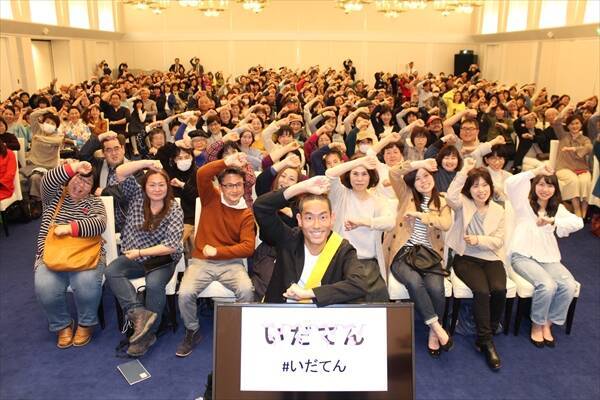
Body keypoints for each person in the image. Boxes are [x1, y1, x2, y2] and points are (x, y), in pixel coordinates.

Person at [253, 175, 384, 305]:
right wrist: (302, 187)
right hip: (281, 313)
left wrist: (310, 293)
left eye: (323, 217)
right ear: (299, 220)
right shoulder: (288, 239)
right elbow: (261, 207)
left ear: (332, 219)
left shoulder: (342, 249)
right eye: (309, 218)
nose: (316, 225)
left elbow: (358, 284)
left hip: (321, 315)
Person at [176, 153, 255, 358]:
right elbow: (202, 173)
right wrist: (226, 162)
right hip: (201, 262)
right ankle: (192, 330)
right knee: (184, 293)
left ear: (244, 186)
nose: (234, 189)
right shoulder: (211, 198)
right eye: (229, 185)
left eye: (238, 185)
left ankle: (240, 330)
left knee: (247, 290)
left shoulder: (246, 213)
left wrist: (219, 251)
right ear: (221, 186)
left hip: (232, 263)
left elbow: (248, 248)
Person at [105, 159, 184, 357]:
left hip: (161, 260)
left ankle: (148, 335)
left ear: (168, 186)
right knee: (112, 271)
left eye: (161, 185)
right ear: (145, 186)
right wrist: (147, 163)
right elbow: (120, 172)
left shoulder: (174, 208)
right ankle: (139, 313)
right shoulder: (136, 197)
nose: (157, 189)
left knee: (154, 284)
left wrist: (140, 252)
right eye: (152, 185)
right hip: (135, 258)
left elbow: (171, 246)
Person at [505, 165, 582, 348]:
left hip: (548, 258)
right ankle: (537, 324)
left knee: (569, 285)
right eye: (540, 184)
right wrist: (536, 170)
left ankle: (548, 323)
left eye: (549, 185)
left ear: (555, 189)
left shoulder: (557, 209)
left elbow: (578, 222)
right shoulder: (523, 203)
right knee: (547, 285)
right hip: (522, 255)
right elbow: (511, 182)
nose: (545, 189)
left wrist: (553, 221)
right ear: (534, 186)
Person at [34, 160, 107, 348]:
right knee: (45, 285)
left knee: (86, 283)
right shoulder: (54, 196)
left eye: (87, 182)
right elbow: (47, 180)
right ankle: (62, 325)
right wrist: (75, 167)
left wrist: (69, 228)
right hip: (51, 255)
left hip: (87, 255)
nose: (80, 184)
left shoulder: (94, 202)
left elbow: (99, 224)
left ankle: (85, 324)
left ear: (92, 188)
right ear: (69, 178)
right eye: (78, 178)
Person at [384, 158, 453, 358]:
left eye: (426, 176)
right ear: (412, 183)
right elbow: (393, 173)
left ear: (433, 177)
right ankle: (437, 328)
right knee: (414, 282)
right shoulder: (406, 195)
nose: (423, 181)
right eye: (418, 179)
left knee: (437, 288)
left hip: (429, 255)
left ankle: (433, 332)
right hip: (403, 253)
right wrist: (419, 164)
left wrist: (422, 216)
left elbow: (446, 224)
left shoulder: (442, 201)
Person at [446, 159, 506, 370]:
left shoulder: (498, 210)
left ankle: (488, 330)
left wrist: (479, 240)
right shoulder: (463, 203)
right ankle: (487, 341)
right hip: (466, 257)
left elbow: (498, 241)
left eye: (485, 185)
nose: (481, 190)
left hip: (490, 256)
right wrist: (464, 170)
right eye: (475, 186)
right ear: (469, 189)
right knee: (481, 291)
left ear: (491, 186)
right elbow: (450, 196)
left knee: (499, 290)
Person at [325, 154, 395, 284]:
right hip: (341, 259)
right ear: (349, 175)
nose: (359, 179)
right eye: (355, 174)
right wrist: (360, 161)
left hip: (368, 262)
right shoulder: (341, 194)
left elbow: (390, 223)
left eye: (364, 174)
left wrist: (363, 222)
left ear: (370, 176)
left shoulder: (378, 201)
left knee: (377, 293)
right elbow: (330, 174)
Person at [553, 108, 593, 218]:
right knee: (573, 180)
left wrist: (574, 149)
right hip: (564, 168)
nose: (574, 126)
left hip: (581, 168)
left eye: (577, 123)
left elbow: (589, 147)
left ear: (581, 124)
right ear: (568, 125)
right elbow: (556, 122)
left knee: (586, 181)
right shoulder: (563, 135)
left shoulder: (585, 139)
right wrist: (565, 110)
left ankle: (584, 213)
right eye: (571, 124)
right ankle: (577, 210)